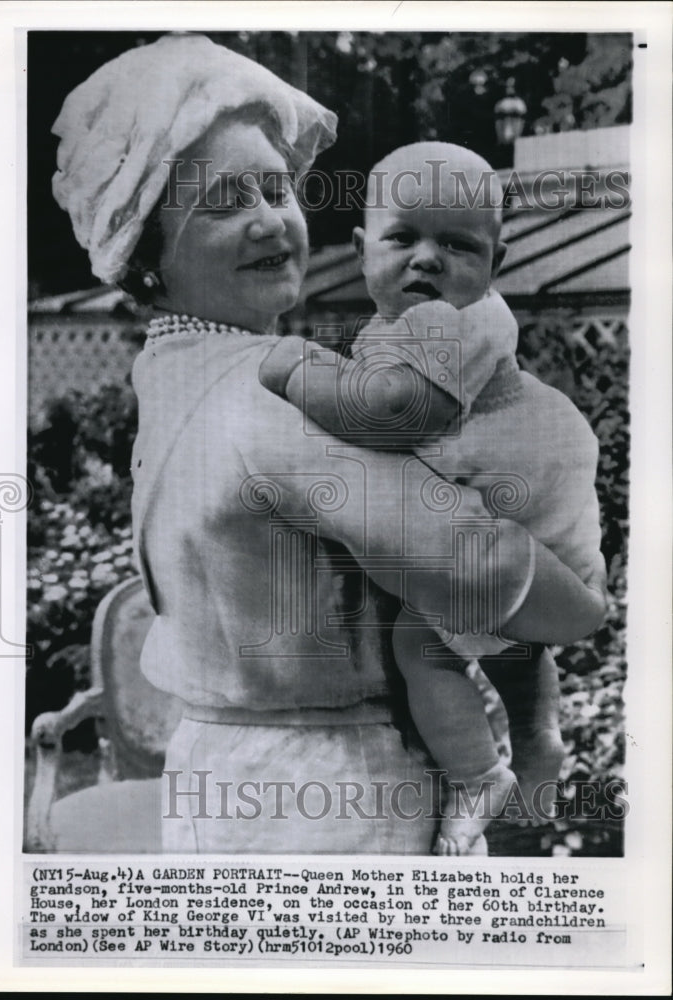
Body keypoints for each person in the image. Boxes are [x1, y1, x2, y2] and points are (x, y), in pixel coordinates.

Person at [52, 36, 606, 854]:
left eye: (275, 188)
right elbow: (476, 564)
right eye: (222, 203)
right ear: (145, 258)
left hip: (221, 774)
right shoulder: (275, 391)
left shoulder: (169, 369)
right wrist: (582, 610)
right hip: (338, 796)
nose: (270, 221)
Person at [258, 142, 607, 854]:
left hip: (513, 492)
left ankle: (479, 773)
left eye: (455, 244)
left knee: (422, 647)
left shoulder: (460, 319)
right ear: (361, 250)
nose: (426, 259)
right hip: (527, 505)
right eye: (402, 238)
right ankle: (538, 739)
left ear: (493, 264)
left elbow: (395, 414)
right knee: (513, 645)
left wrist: (297, 369)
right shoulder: (403, 327)